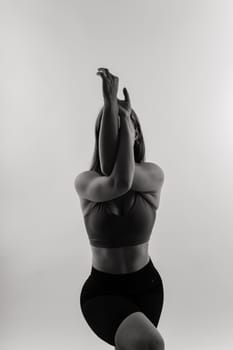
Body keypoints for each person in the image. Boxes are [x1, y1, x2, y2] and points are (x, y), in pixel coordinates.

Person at [74, 67, 165, 349]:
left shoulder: (152, 174)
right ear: (99, 136)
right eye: (108, 127)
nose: (122, 127)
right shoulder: (86, 182)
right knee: (149, 343)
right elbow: (117, 180)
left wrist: (121, 116)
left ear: (136, 134)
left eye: (127, 125)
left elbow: (124, 177)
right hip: (102, 291)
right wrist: (112, 105)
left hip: (147, 287)